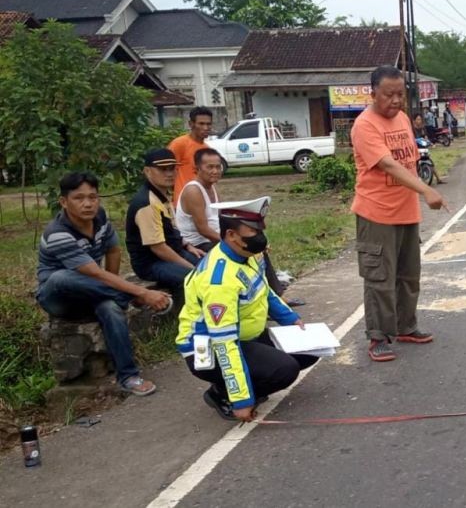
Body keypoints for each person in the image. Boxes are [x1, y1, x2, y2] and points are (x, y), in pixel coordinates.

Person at [176, 197, 317, 422]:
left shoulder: (249, 255)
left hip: (246, 336)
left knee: (310, 349)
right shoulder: (219, 281)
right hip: (208, 348)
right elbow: (224, 343)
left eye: (261, 228)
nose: (261, 235)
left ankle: (248, 382)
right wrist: (242, 399)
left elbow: (265, 290)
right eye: (254, 231)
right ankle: (222, 394)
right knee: (285, 369)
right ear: (231, 235)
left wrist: (289, 318)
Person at [37, 172, 171, 395]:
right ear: (64, 202)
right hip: (59, 298)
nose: (88, 204)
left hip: (91, 291)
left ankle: (128, 377)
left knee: (110, 308)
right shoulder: (57, 233)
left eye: (93, 197)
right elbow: (93, 273)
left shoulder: (99, 217)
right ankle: (132, 298)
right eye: (79, 198)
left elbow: (113, 250)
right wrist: (138, 292)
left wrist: (113, 291)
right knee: (60, 277)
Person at [351, 65, 449, 362]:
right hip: (376, 213)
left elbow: (409, 162)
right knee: (380, 277)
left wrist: (423, 188)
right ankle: (378, 337)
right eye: (388, 95)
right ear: (373, 94)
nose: (395, 101)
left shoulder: (404, 119)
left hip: (406, 212)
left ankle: (406, 326)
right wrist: (426, 190)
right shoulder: (365, 125)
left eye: (400, 94)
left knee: (408, 275)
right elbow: (389, 165)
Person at [175, 148, 304, 305]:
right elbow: (203, 230)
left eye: (218, 166)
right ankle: (266, 301)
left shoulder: (212, 188)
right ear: (197, 169)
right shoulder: (193, 191)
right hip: (199, 244)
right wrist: (234, 243)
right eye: (209, 167)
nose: (215, 171)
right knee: (248, 252)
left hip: (215, 237)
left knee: (257, 246)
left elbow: (224, 218)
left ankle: (274, 297)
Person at [126, 149, 205, 296]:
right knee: (194, 278)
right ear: (147, 171)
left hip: (174, 250)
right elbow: (158, 248)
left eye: (172, 169)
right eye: (162, 169)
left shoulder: (162, 193)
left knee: (211, 266)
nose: (169, 174)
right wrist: (190, 267)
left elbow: (169, 229)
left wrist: (187, 245)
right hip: (151, 263)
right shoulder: (147, 203)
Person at [168, 107, 214, 207]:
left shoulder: (207, 149)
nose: (205, 128)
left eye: (208, 124)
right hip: (183, 203)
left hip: (202, 202)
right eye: (201, 124)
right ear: (191, 124)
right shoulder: (179, 144)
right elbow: (167, 172)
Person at [411, 114, 447, 185]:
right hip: (415, 149)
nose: (419, 121)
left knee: (430, 162)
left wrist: (431, 144)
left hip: (423, 149)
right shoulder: (411, 129)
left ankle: (438, 179)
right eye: (418, 119)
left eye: (420, 119)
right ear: (414, 121)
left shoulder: (423, 128)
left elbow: (426, 137)